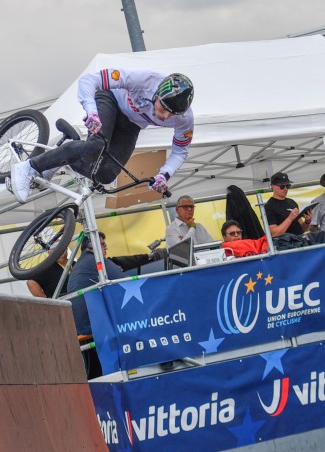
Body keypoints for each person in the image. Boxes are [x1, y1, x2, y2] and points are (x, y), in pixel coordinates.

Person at [10, 69, 195, 203]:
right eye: (163, 109)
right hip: (111, 100)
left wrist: (164, 174)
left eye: (172, 115)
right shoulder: (144, 80)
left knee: (106, 175)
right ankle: (29, 167)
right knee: (96, 145)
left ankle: (63, 155)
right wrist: (91, 112)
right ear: (157, 94)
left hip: (132, 124)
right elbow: (89, 79)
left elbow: (180, 152)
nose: (165, 117)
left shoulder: (185, 120)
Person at [67, 232, 165, 379]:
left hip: (82, 322)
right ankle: (153, 364)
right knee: (146, 315)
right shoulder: (96, 259)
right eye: (102, 244)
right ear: (90, 247)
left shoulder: (83, 262)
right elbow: (125, 283)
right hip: (91, 324)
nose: (106, 247)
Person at [264, 172, 312, 237]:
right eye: (282, 186)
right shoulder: (268, 206)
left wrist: (307, 221)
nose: (285, 189)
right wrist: (289, 219)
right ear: (272, 186)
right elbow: (273, 234)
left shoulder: (292, 202)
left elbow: (302, 229)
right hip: (284, 244)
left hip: (299, 241)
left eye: (288, 186)